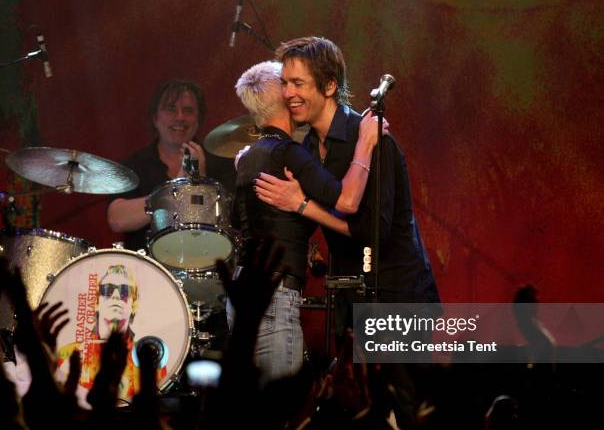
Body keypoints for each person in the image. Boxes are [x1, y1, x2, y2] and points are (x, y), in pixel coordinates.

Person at [255, 37, 440, 314]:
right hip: (349, 290)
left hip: (397, 292)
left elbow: (372, 230)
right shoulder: (307, 148)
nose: (288, 93)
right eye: (285, 83)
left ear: (329, 85)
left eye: (298, 83)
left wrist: (302, 205)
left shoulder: (370, 137)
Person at [232, 60, 383, 384]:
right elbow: (347, 200)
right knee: (279, 408)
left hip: (242, 287)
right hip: (275, 291)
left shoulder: (248, 158)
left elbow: (237, 218)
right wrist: (365, 143)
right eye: (289, 85)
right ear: (285, 99)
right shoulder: (288, 153)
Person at [107, 79, 235, 251]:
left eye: (188, 110)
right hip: (147, 270)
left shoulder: (220, 162)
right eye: (171, 109)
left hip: (204, 267)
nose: (180, 117)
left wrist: (202, 183)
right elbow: (117, 220)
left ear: (199, 119)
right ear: (155, 118)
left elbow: (230, 225)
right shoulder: (134, 166)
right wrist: (176, 189)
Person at [57, 264, 164, 401]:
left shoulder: (153, 362)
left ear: (134, 304)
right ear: (96, 301)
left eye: (125, 291)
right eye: (107, 290)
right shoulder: (66, 355)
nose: (116, 296)